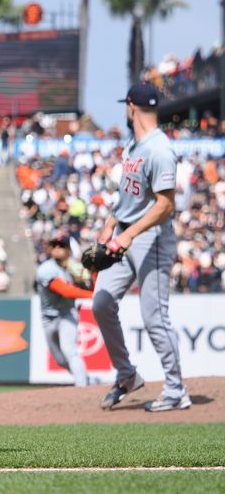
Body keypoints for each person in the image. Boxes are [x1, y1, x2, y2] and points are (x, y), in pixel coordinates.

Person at [93, 83, 190, 412]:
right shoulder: (134, 144)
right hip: (125, 232)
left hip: (151, 237)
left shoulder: (159, 149)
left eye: (126, 106)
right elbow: (129, 194)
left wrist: (128, 233)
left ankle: (177, 391)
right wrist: (112, 220)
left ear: (132, 107)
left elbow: (165, 205)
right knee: (102, 303)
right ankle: (127, 375)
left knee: (154, 317)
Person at [35, 233, 93, 386]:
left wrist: (91, 273)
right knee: (60, 360)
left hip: (67, 314)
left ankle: (82, 387)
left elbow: (91, 283)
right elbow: (65, 291)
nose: (56, 248)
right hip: (48, 318)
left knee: (70, 351)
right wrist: (93, 295)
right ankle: (87, 380)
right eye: (54, 245)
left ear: (68, 250)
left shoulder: (74, 267)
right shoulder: (45, 269)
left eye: (61, 245)